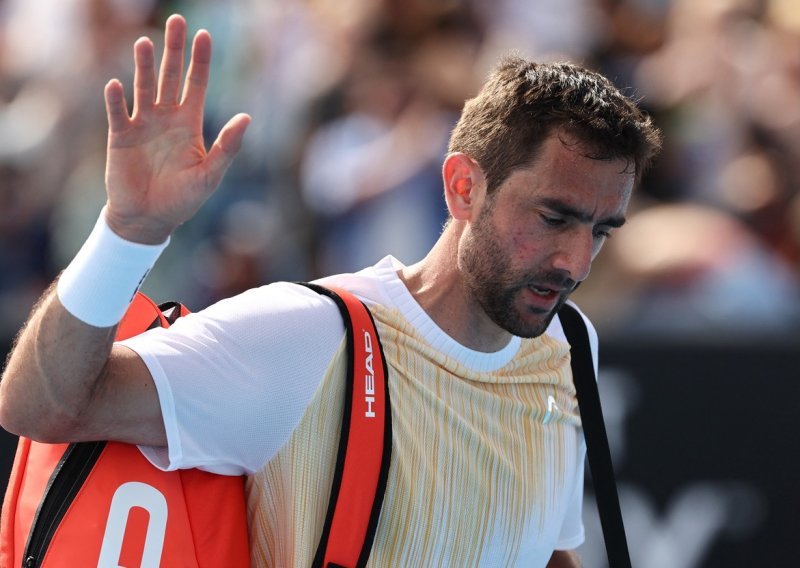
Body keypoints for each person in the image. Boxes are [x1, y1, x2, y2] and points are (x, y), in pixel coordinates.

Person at [0, 14, 661, 568]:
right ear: (464, 186)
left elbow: (541, 546)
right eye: (554, 218)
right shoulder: (306, 339)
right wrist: (127, 233)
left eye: (601, 230)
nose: (576, 260)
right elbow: (42, 406)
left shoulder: (570, 345)